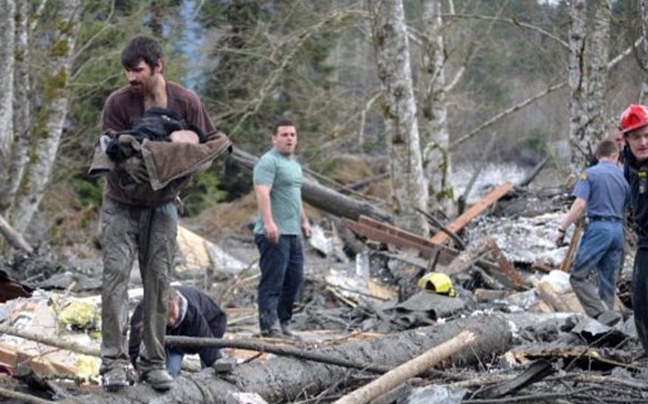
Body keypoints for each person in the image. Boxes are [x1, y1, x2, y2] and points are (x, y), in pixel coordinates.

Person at [97, 35, 215, 391]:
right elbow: (107, 148)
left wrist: (184, 150)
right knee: (115, 279)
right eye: (128, 71)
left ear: (158, 66)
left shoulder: (186, 101)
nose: (132, 77)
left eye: (138, 70)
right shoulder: (118, 102)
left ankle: (152, 362)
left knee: (159, 282)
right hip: (121, 204)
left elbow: (208, 144)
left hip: (163, 206)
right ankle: (114, 364)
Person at [556, 138, 629, 326]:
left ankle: (599, 313)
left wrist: (562, 228)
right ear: (616, 155)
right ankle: (608, 326)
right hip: (618, 230)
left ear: (597, 156)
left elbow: (579, 204)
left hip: (599, 228)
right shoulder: (625, 176)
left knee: (578, 276)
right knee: (608, 280)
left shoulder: (590, 174)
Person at [253, 119, 312, 338]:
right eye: (285, 134)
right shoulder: (268, 162)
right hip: (273, 232)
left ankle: (284, 321)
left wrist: (304, 221)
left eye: (292, 135)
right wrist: (269, 222)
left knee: (294, 279)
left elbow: (295, 195)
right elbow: (262, 192)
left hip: (292, 231)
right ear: (274, 138)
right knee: (273, 279)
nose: (289, 139)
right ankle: (269, 325)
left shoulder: (294, 164)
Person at [129, 285, 227, 377]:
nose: (171, 320)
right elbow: (135, 344)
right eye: (166, 318)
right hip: (174, 340)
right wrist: (137, 368)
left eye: (172, 314)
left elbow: (208, 346)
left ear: (177, 301)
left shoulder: (192, 311)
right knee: (171, 372)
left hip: (211, 326)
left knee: (210, 370)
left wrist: (219, 367)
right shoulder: (143, 312)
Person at [619, 104, 648, 355]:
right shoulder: (629, 166)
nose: (643, 141)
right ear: (626, 139)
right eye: (636, 136)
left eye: (647, 135)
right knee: (641, 304)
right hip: (644, 242)